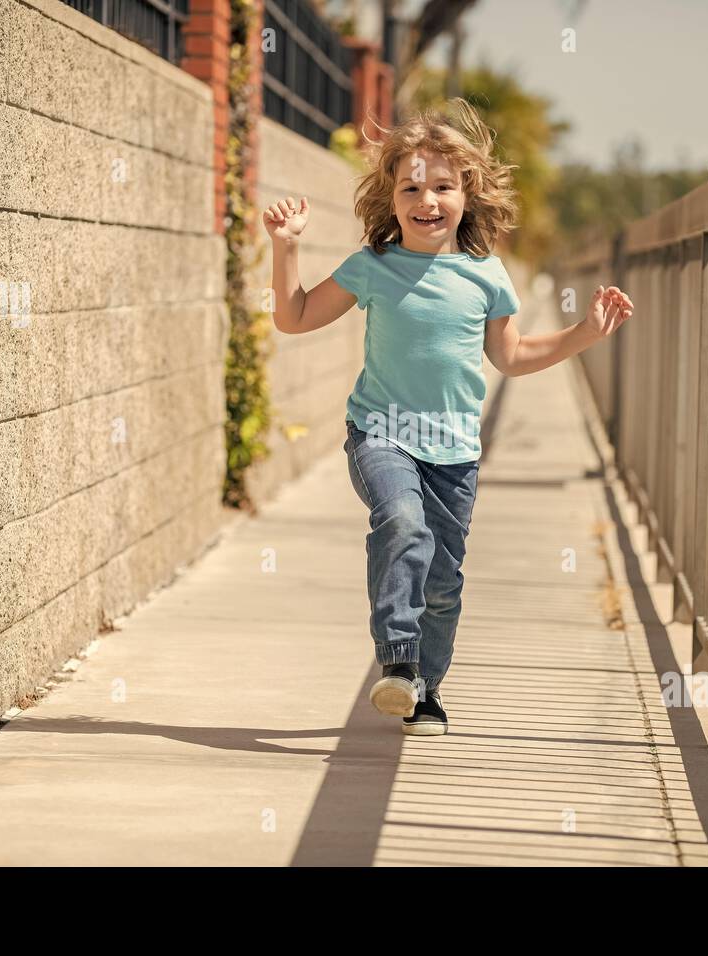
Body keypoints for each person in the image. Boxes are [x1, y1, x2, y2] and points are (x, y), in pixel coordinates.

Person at [261, 98, 633, 736]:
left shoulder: (486, 277)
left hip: (454, 450)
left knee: (443, 581)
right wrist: (285, 248)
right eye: (410, 187)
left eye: (442, 187)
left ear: (469, 196)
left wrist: (583, 334)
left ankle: (425, 689)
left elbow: (511, 356)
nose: (425, 200)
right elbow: (293, 316)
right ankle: (399, 661)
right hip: (381, 432)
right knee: (401, 521)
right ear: (391, 199)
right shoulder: (372, 268)